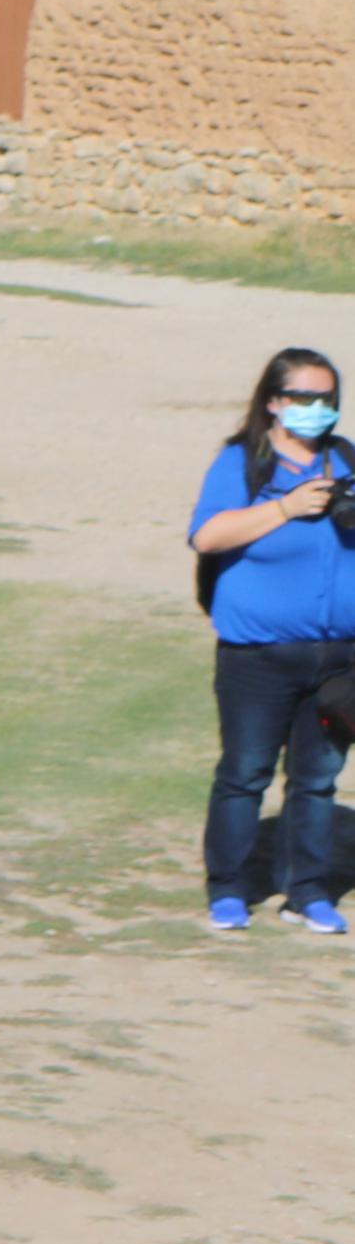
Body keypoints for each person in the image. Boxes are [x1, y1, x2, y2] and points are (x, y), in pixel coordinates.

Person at [184, 346, 355, 933]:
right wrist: (285, 508)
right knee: (245, 773)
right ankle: (228, 889)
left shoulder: (345, 459)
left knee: (317, 780)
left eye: (327, 397)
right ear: (275, 402)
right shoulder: (242, 464)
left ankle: (307, 892)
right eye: (305, 397)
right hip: (257, 657)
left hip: (340, 659)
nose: (318, 408)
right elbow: (207, 536)